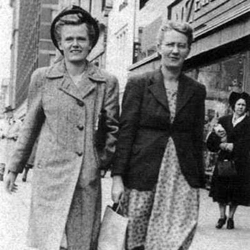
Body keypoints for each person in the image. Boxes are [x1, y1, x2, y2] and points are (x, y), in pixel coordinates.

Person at [4, 5, 119, 250]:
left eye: (81, 38)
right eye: (69, 39)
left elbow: (112, 129)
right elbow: (30, 128)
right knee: (49, 241)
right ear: (60, 43)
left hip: (85, 177)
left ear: (91, 44)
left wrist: (98, 161)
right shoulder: (42, 78)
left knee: (80, 242)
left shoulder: (106, 82)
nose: (75, 44)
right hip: (50, 176)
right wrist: (14, 167)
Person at [111, 20, 206, 250]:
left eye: (181, 46)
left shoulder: (196, 90)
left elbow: (196, 136)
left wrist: (198, 180)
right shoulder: (139, 83)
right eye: (170, 44)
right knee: (136, 236)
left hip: (180, 177)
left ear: (188, 49)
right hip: (143, 171)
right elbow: (126, 132)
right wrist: (117, 178)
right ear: (159, 47)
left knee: (177, 237)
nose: (175, 50)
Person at [206, 91, 250, 230]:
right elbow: (213, 138)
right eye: (238, 104)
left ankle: (231, 217)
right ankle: (221, 216)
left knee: (235, 190)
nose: (241, 107)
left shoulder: (249, 123)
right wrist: (220, 144)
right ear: (233, 105)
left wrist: (235, 146)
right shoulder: (224, 120)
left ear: (246, 107)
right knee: (221, 189)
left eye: (244, 105)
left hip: (240, 161)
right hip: (224, 160)